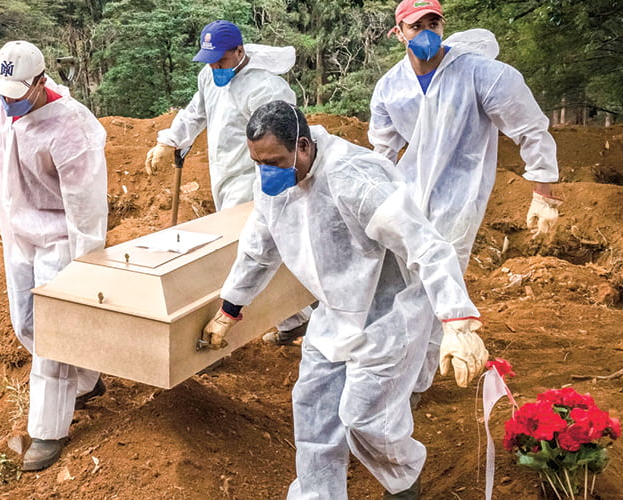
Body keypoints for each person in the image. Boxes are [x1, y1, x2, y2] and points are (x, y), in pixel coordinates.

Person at [202, 101, 489, 499]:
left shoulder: (355, 179)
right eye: (258, 162)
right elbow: (258, 249)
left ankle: (403, 481)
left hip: (387, 315)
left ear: (302, 145)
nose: (266, 171)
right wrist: (229, 309)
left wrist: (457, 321)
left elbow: (425, 245)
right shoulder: (275, 182)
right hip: (334, 313)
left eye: (274, 161)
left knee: (367, 419)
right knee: (313, 410)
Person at [368, 0, 559, 396]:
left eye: (432, 22)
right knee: (394, 282)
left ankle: (413, 384)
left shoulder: (482, 75)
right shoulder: (391, 87)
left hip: (459, 198)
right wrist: (369, 201)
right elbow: (382, 153)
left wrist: (543, 189)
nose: (424, 32)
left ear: (443, 24)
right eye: (414, 25)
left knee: (434, 285)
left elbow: (530, 128)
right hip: (406, 196)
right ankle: (392, 365)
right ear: (398, 32)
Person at [0, 40, 108, 472]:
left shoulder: (72, 129)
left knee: (52, 332)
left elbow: (87, 209)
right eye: (3, 93)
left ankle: (49, 432)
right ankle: (87, 378)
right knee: (24, 321)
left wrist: (86, 265)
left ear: (40, 83)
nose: (8, 103)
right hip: (17, 231)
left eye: (16, 95)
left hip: (60, 239)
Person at [147, 19, 312, 346]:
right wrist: (169, 141)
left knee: (253, 249)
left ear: (240, 51)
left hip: (258, 180)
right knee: (256, 250)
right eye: (209, 60)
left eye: (221, 60)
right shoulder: (209, 75)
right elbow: (196, 112)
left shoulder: (266, 88)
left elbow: (284, 139)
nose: (215, 67)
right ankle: (294, 319)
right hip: (223, 175)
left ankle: (258, 320)